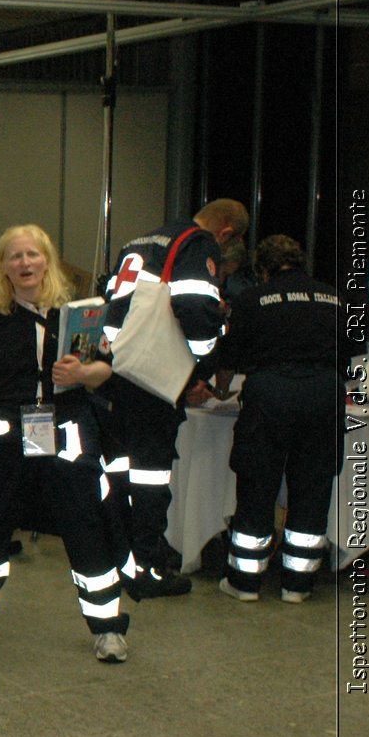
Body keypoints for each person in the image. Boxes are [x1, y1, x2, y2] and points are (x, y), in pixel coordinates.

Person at [0, 225, 128, 663]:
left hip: (68, 436)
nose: (24, 263)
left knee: (86, 528)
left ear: (48, 260)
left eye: (32, 255)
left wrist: (82, 376)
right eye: (14, 256)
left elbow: (106, 369)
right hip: (6, 438)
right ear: (3, 267)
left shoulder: (80, 315)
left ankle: (107, 629)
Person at [99, 198, 246, 599]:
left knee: (118, 472)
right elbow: (196, 308)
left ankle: (117, 556)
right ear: (227, 233)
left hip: (117, 372)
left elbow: (111, 302)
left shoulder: (140, 240)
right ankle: (147, 567)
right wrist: (198, 368)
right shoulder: (198, 244)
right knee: (150, 476)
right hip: (153, 383)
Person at [212, 235, 341, 603]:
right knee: (313, 487)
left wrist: (220, 392)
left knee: (257, 484)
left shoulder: (253, 299)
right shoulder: (333, 297)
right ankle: (297, 586)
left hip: (270, 395)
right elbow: (350, 354)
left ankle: (245, 582)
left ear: (263, 270)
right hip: (323, 395)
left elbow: (229, 357)